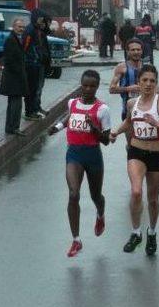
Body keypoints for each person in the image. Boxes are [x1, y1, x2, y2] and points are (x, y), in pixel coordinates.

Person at [110, 64, 159, 256]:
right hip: (136, 151)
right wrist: (116, 132)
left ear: (156, 83)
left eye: (152, 81)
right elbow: (128, 122)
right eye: (144, 80)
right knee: (135, 192)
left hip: (157, 154)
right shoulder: (131, 104)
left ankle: (152, 232)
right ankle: (136, 232)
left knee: (152, 199)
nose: (148, 84)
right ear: (138, 82)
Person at [47, 70, 112, 257]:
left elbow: (106, 140)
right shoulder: (73, 102)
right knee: (73, 194)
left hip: (92, 155)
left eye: (92, 86)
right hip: (74, 154)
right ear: (81, 85)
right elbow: (70, 117)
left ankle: (100, 215)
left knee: (96, 195)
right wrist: (58, 127)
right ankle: (76, 240)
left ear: (97, 87)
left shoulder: (102, 109)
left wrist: (94, 128)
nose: (88, 89)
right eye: (85, 85)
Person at [0, 17, 29, 136]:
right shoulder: (11, 40)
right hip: (13, 78)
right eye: (19, 27)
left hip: (16, 77)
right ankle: (13, 127)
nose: (21, 29)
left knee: (15, 103)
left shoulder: (17, 39)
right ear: (14, 27)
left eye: (23, 27)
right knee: (15, 104)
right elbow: (9, 60)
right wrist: (19, 73)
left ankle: (11, 127)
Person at [22, 9, 50, 120]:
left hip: (39, 63)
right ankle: (30, 111)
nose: (41, 21)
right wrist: (33, 58)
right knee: (32, 89)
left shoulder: (39, 30)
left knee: (38, 87)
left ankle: (36, 107)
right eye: (40, 19)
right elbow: (25, 47)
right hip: (32, 64)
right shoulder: (30, 30)